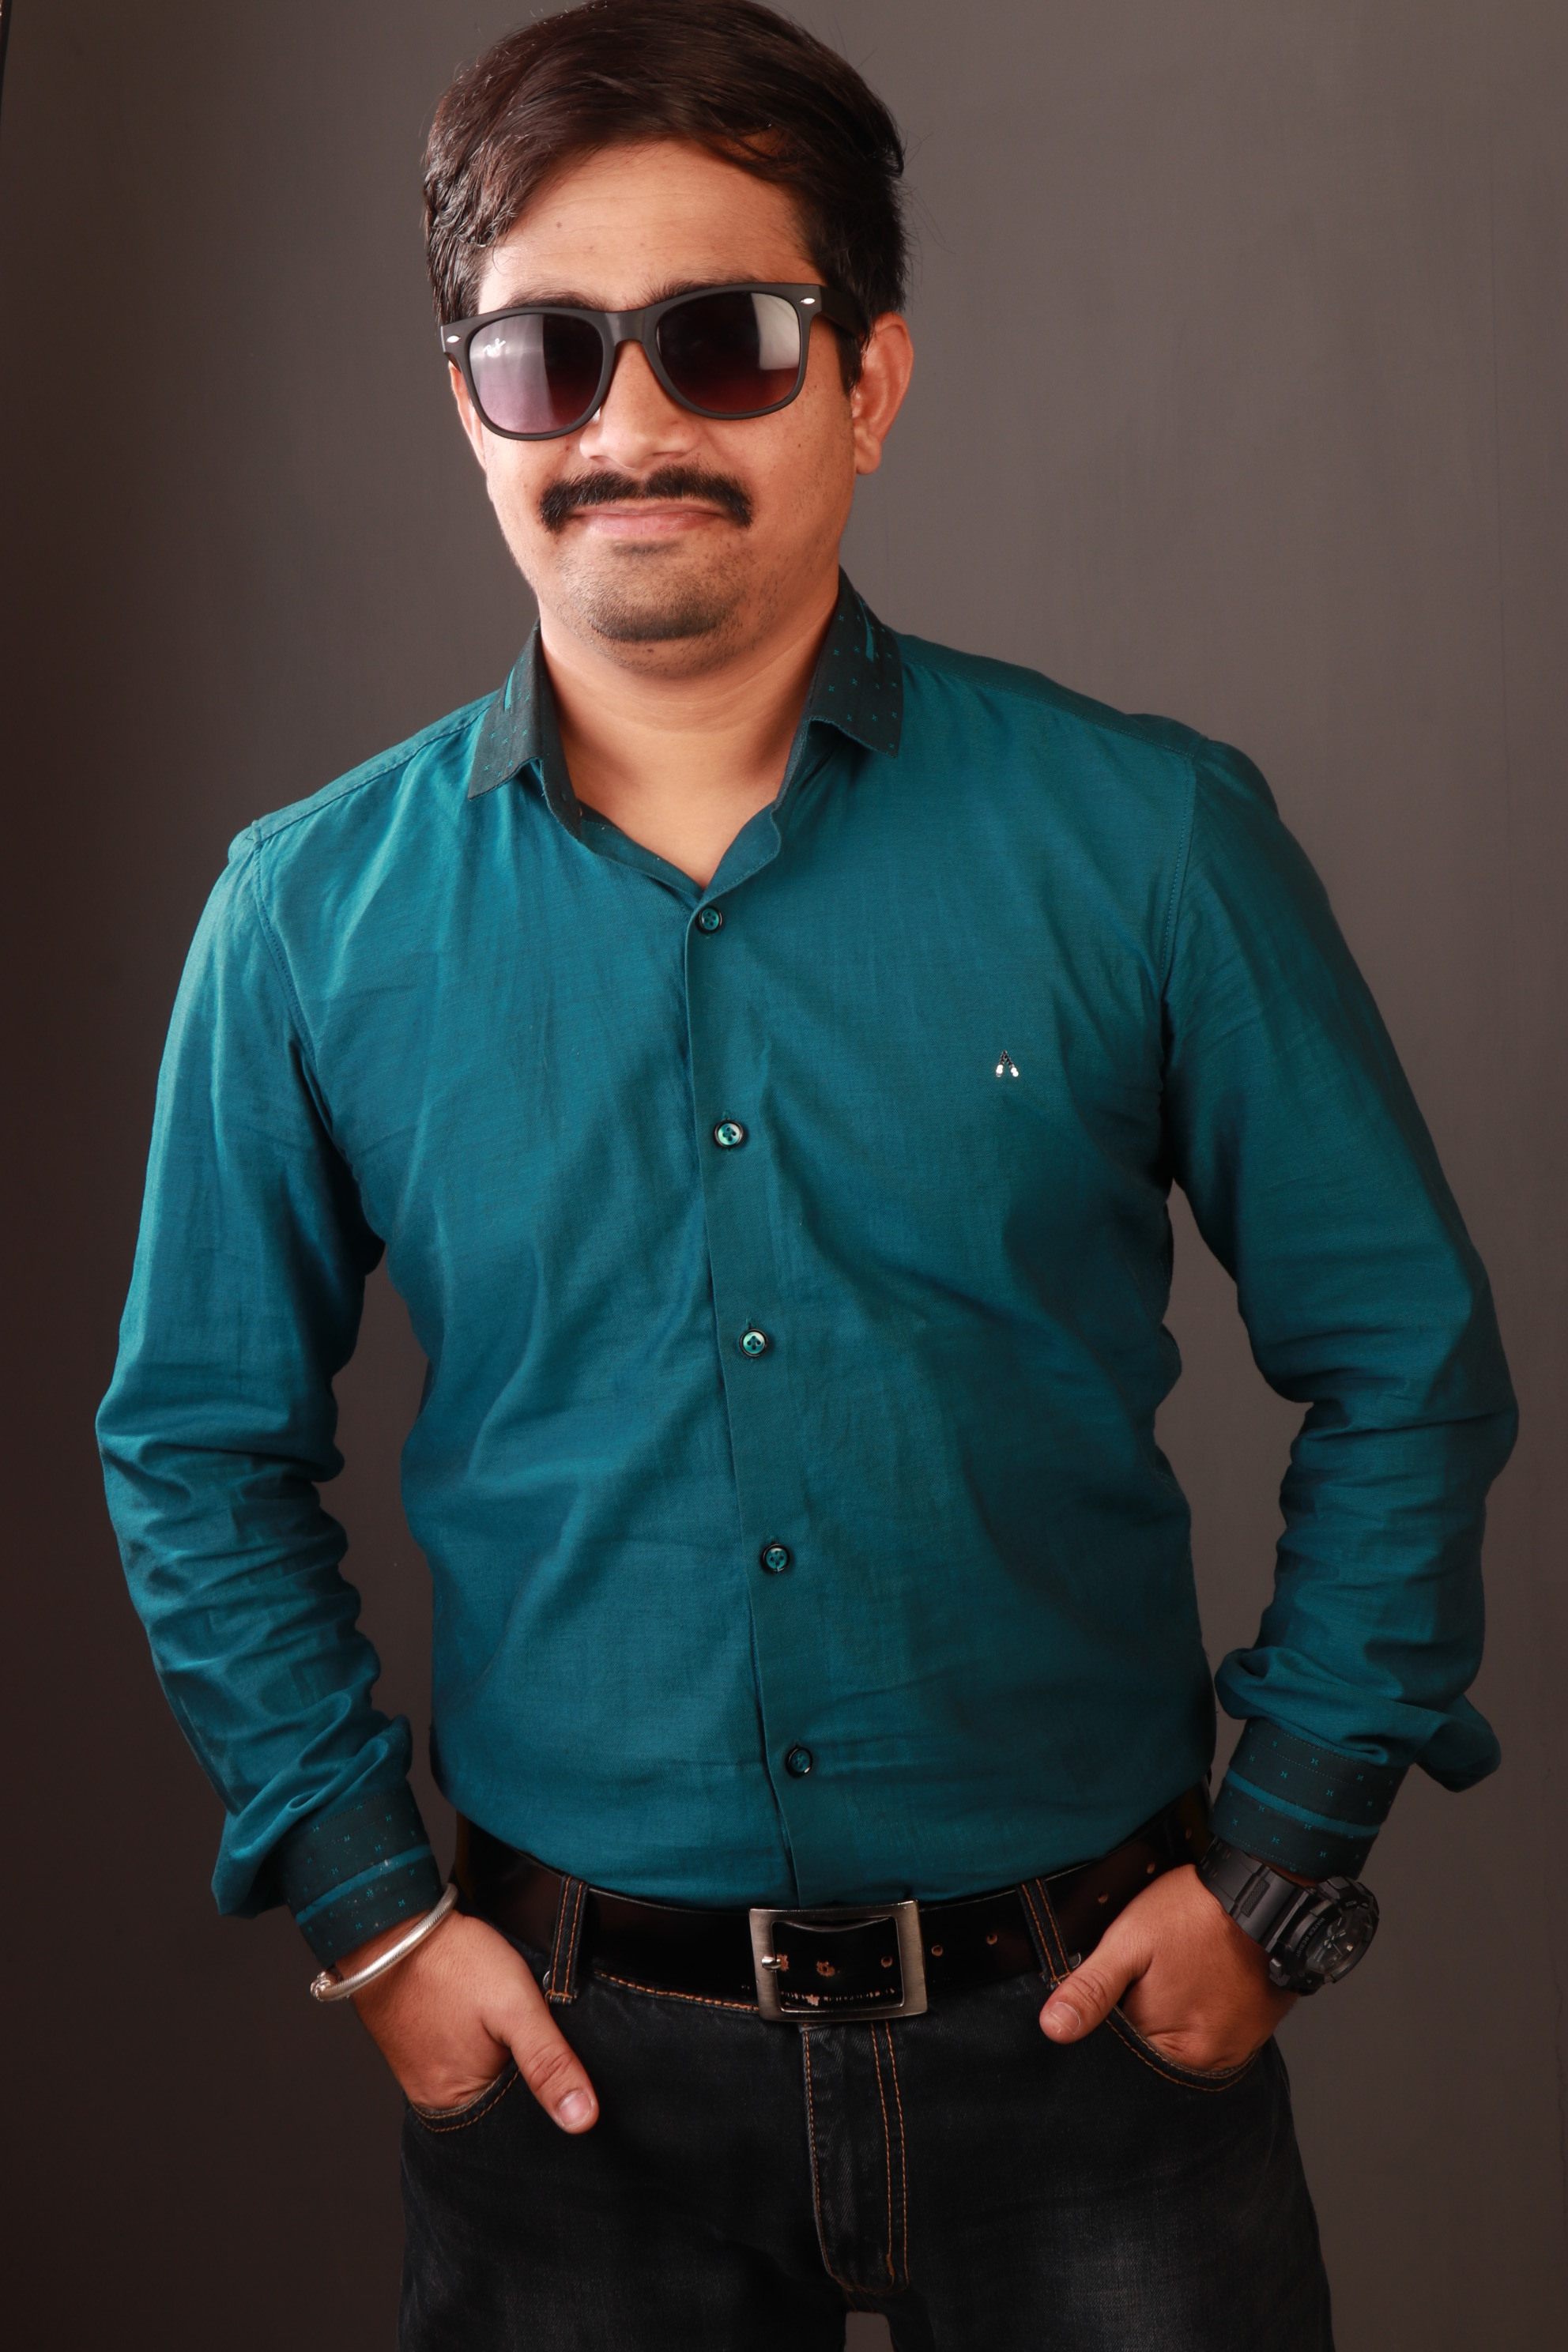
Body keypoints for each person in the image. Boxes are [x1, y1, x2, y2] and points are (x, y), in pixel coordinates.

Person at [98, 3, 1517, 2345]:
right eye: (549, 353)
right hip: (568, 2094)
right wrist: (371, 1913)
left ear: (867, 383)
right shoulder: (304, 919)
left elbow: (1407, 1362)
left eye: (725, 339)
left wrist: (1282, 1868)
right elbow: (194, 1447)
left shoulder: (1151, 841)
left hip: (1101, 2046)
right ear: (471, 406)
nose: (630, 423)